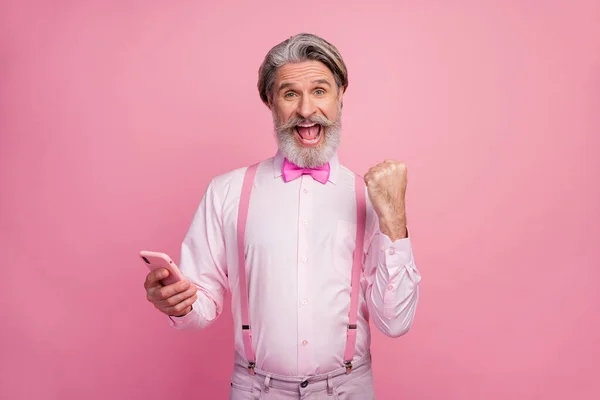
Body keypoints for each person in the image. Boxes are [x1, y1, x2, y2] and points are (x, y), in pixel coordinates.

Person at [144, 33, 421, 399]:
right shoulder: (226, 192)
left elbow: (395, 322)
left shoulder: (370, 197)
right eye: (291, 94)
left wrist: (395, 220)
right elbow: (202, 304)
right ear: (270, 101)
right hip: (256, 390)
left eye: (320, 91)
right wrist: (178, 303)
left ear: (340, 95)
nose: (307, 110)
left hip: (347, 390)